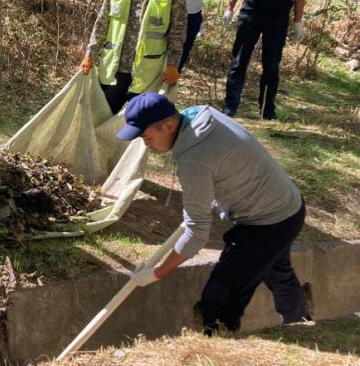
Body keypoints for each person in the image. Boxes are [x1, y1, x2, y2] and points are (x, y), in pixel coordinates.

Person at [119, 93, 309, 335]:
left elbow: (197, 233)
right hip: (288, 204)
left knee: (219, 299)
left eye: (147, 137)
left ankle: (218, 339)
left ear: (168, 125)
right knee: (275, 270)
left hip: (268, 221)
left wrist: (156, 273)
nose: (146, 145)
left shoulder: (195, 159)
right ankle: (301, 322)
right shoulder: (197, 115)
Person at [81, 0, 187, 115]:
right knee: (101, 118)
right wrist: (91, 53)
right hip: (114, 67)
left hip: (147, 72)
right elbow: (103, 20)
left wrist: (173, 64)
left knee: (139, 126)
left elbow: (178, 32)